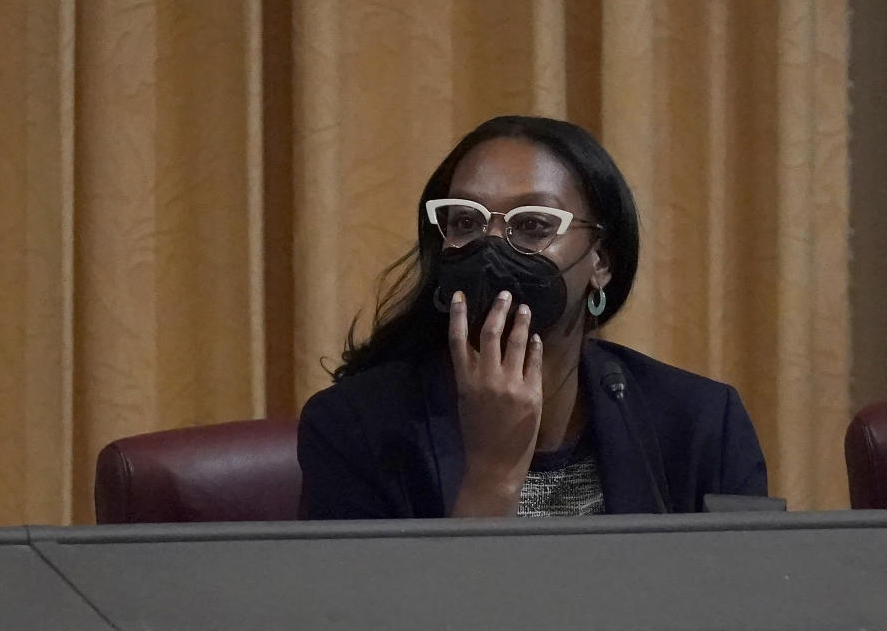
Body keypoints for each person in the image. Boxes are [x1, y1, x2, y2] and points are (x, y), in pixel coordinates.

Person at [298, 115, 767, 519]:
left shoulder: (703, 423)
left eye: (533, 225)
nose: (492, 245)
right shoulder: (356, 427)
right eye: (465, 222)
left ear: (601, 260)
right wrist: (492, 473)